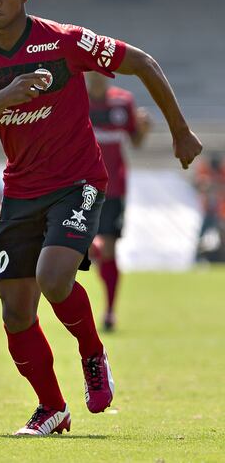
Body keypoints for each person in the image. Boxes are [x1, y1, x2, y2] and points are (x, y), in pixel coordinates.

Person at [0, 0, 202, 435]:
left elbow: (142, 62)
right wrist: (1, 99)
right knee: (16, 313)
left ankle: (92, 352)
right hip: (21, 190)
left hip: (78, 181)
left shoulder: (63, 41)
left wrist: (180, 130)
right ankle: (52, 410)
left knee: (53, 278)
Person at [87, 72, 152, 331]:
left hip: (113, 189)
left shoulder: (123, 102)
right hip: (80, 188)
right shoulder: (77, 101)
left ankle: (110, 311)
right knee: (89, 248)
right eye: (91, 73)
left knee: (110, 249)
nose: (96, 78)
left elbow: (136, 141)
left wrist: (143, 128)